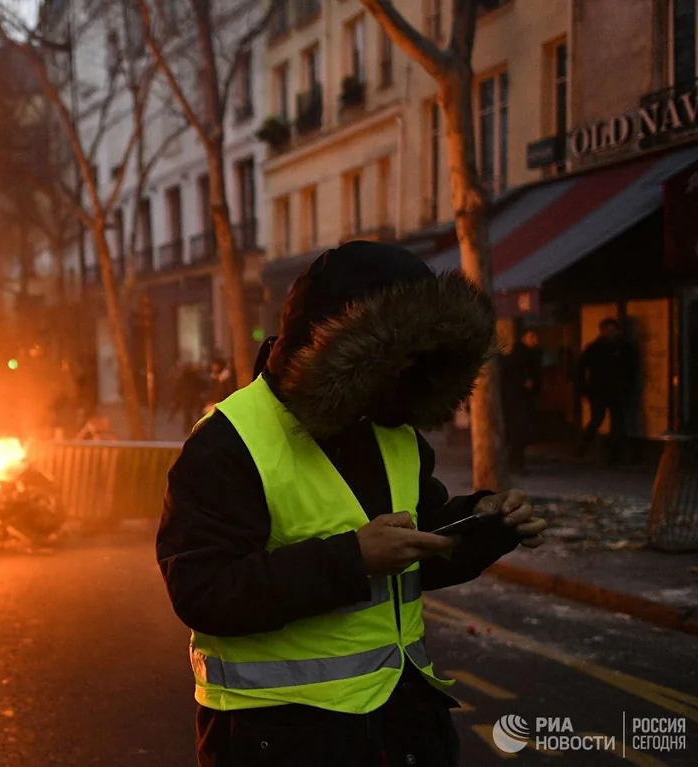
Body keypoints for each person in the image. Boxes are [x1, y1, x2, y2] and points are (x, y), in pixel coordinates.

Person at [157, 241, 547, 767]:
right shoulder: (228, 442)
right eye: (395, 354)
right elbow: (203, 590)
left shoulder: (391, 426)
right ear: (337, 351)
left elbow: (417, 538)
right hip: (281, 739)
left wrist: (488, 521)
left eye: (418, 355)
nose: (406, 368)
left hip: (402, 725)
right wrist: (352, 560)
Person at [577, 318, 636, 464]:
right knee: (597, 418)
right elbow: (580, 368)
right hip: (599, 389)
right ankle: (583, 445)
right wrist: (583, 389)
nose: (611, 333)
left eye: (613, 330)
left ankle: (613, 454)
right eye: (608, 330)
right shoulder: (595, 348)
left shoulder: (623, 347)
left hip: (617, 390)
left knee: (618, 422)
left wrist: (628, 386)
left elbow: (632, 369)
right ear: (602, 331)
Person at [501, 329, 543, 473]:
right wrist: (523, 382)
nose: (535, 340)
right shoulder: (517, 356)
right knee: (519, 431)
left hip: (525, 399)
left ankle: (515, 461)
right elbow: (510, 375)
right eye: (532, 336)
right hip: (517, 400)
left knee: (523, 432)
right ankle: (516, 462)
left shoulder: (534, 354)